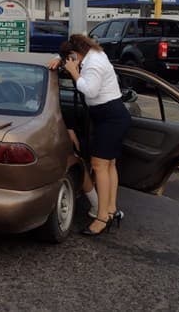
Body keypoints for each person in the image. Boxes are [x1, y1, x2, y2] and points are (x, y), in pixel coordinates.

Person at [48, 34, 131, 236]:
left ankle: (102, 217)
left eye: (71, 58)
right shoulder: (95, 53)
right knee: (109, 164)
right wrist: (62, 61)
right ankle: (110, 209)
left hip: (109, 117)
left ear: (76, 55)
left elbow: (90, 90)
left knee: (98, 165)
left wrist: (74, 72)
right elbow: (77, 62)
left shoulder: (92, 65)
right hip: (114, 114)